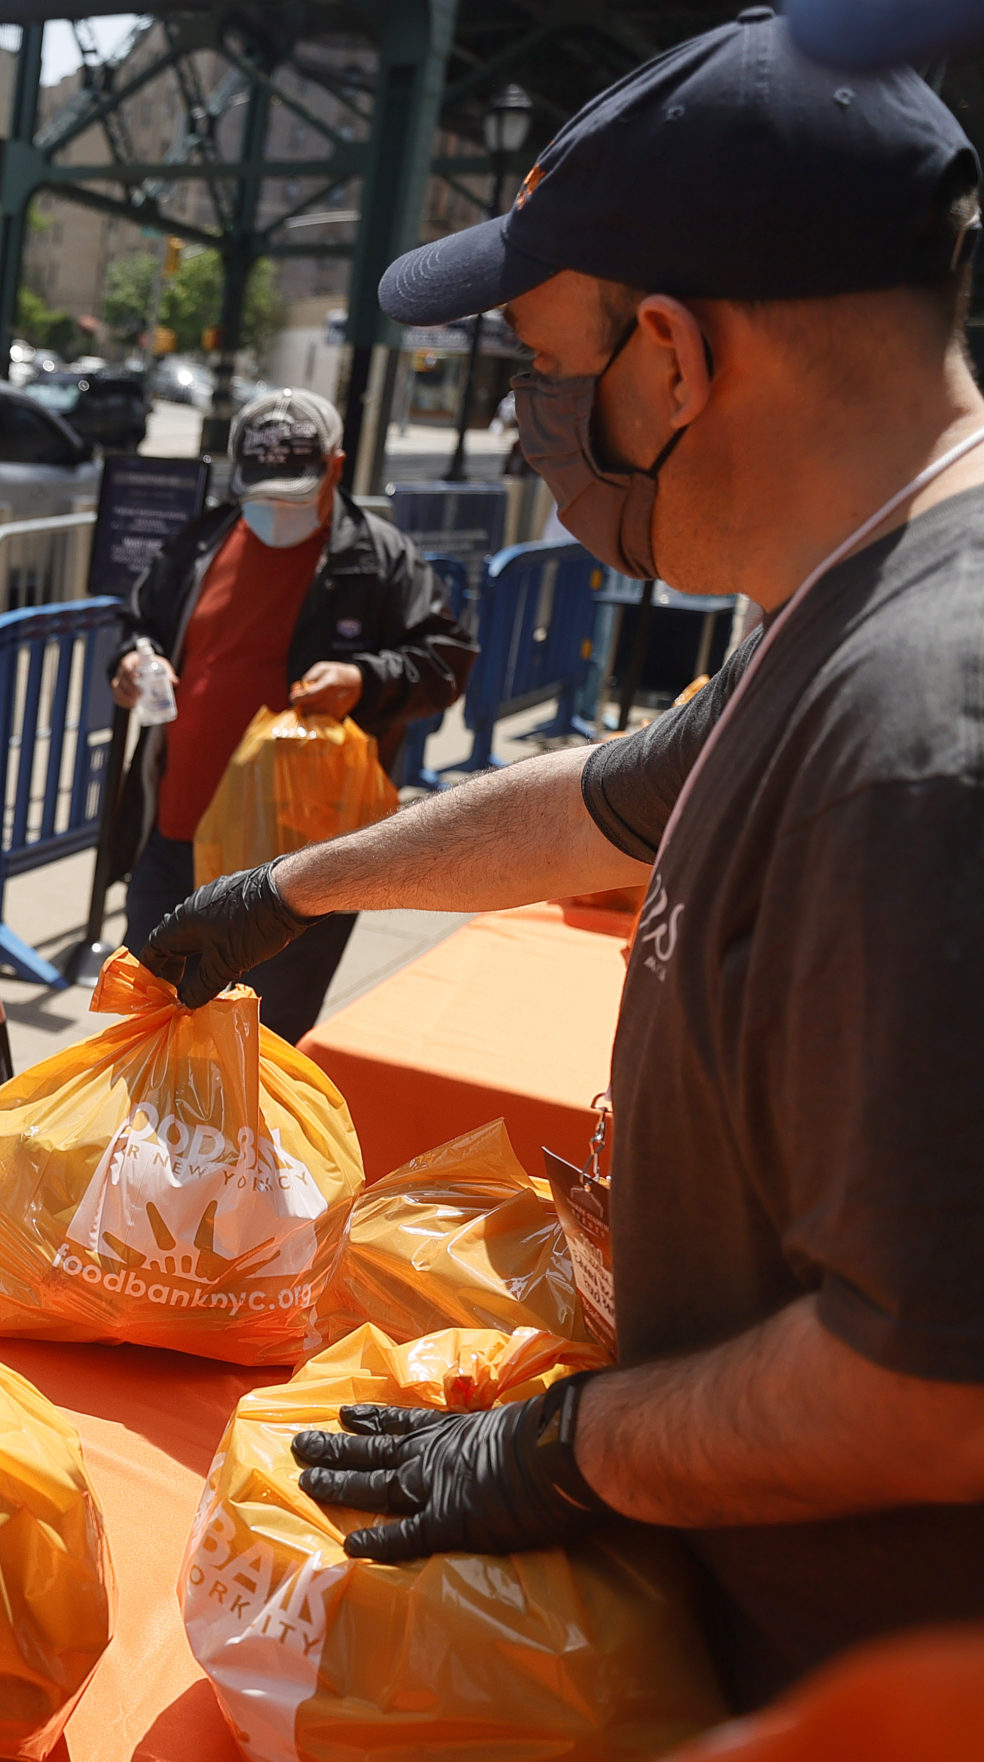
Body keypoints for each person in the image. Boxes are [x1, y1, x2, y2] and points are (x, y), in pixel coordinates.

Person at [142, 12, 984, 1708]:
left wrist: (565, 1445)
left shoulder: (919, 746)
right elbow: (600, 799)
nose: (531, 417)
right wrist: (298, 886)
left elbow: (931, 1386)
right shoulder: (838, 618)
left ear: (671, 358)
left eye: (541, 358)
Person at [104, 387, 472, 1041]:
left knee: (258, 1047)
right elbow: (140, 622)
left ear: (335, 468)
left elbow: (445, 661)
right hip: (175, 837)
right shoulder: (201, 542)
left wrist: (364, 679)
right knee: (147, 1028)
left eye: (296, 488)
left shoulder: (377, 557)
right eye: (262, 487)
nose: (277, 507)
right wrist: (135, 659)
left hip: (295, 863)